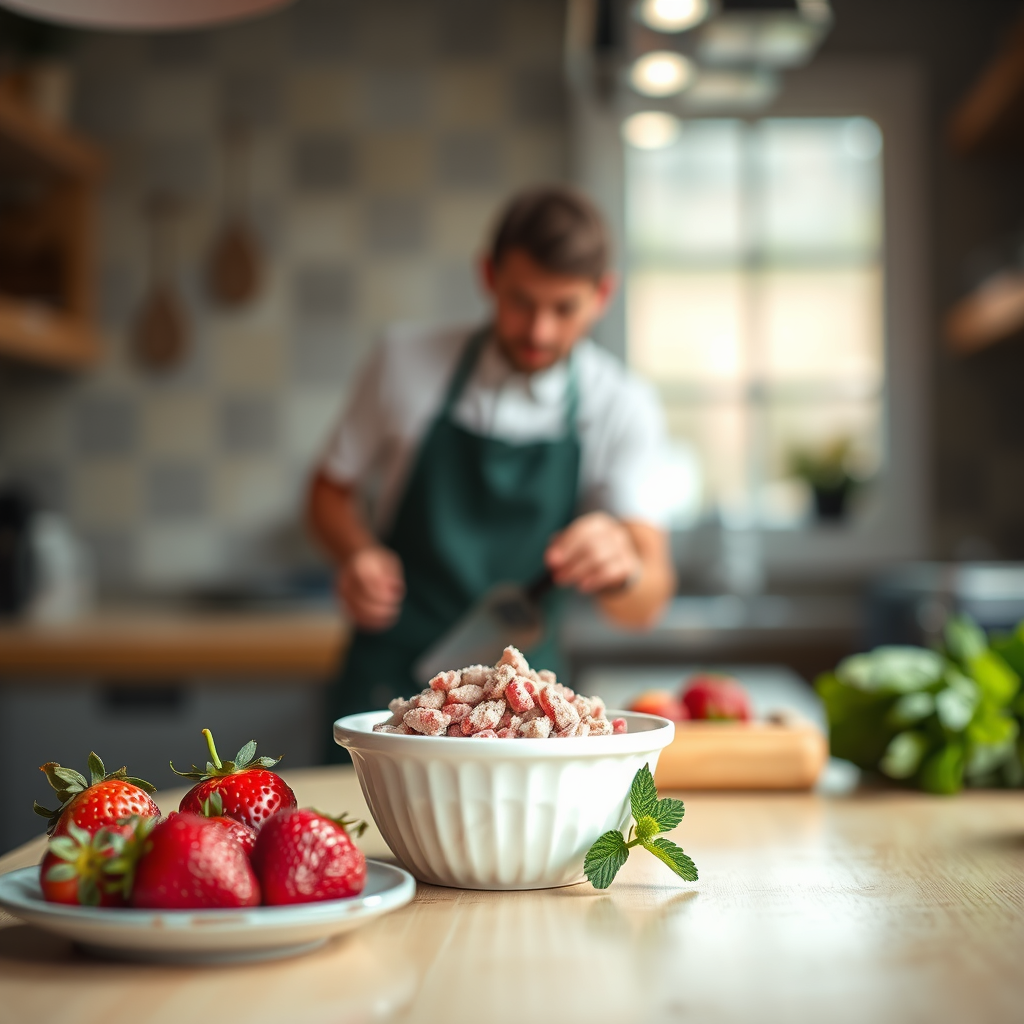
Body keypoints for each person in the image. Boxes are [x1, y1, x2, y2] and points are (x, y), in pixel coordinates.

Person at [307, 186, 677, 752]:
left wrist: (622, 566)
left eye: (564, 308)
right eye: (521, 301)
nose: (539, 331)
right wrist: (357, 552)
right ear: (488, 275)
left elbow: (648, 597)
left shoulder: (621, 405)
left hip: (526, 716)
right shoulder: (404, 363)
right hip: (386, 688)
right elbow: (328, 494)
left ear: (602, 294)